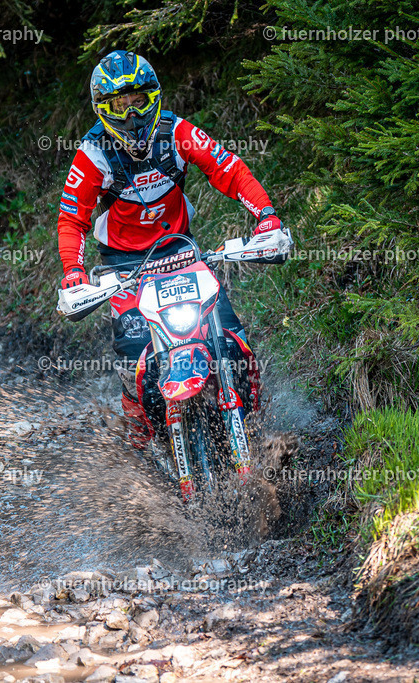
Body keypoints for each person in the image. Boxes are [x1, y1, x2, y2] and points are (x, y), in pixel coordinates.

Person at [57, 50, 285, 449]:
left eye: (138, 101)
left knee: (232, 339)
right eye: (118, 105)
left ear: (154, 97)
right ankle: (140, 437)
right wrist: (74, 273)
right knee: (134, 360)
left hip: (181, 253)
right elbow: (72, 219)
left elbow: (227, 169)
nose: (130, 115)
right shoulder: (93, 154)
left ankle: (256, 427)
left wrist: (266, 216)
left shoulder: (176, 132)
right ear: (102, 110)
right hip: (125, 267)